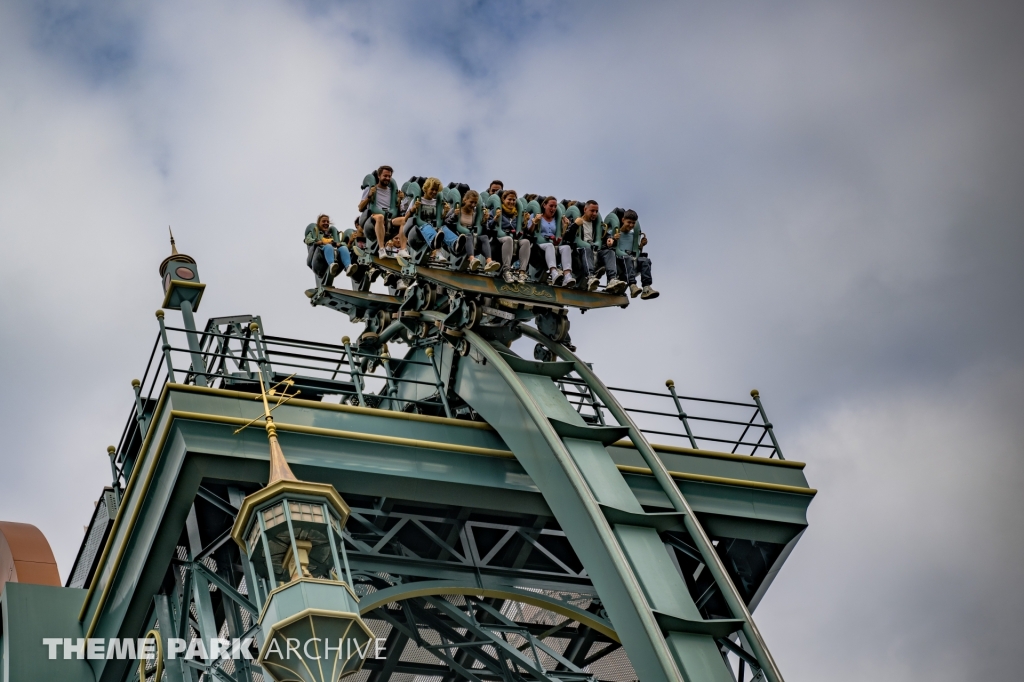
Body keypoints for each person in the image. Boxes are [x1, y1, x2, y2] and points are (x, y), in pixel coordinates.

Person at [567, 200, 626, 293]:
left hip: (595, 252)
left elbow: (604, 235)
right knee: (587, 248)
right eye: (592, 211)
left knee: (609, 252)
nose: (594, 213)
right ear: (585, 209)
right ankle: (590, 277)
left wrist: (610, 239)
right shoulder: (575, 221)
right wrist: (575, 225)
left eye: (596, 211)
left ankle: (612, 279)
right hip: (579, 253)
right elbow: (567, 237)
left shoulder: (597, 224)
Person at [443, 189, 501, 272]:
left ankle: (489, 261)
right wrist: (454, 215)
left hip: (472, 238)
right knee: (468, 235)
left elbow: (484, 231)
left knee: (484, 237)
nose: (473, 205)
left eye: (475, 203)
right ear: (465, 200)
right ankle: (472, 260)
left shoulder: (475, 213)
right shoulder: (455, 210)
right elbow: (446, 223)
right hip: (459, 240)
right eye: (471, 202)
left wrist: (484, 221)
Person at [485, 189, 532, 283]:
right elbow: (488, 227)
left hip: (514, 240)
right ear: (503, 200)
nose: (512, 202)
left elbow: (524, 232)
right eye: (509, 199)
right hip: (498, 240)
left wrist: (525, 222)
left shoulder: (517, 214)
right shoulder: (496, 210)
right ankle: (506, 270)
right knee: (508, 239)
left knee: (526, 242)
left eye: (514, 200)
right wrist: (496, 218)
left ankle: (522, 272)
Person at [531, 196, 575, 286]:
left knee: (566, 247)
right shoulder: (536, 216)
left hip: (553, 245)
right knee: (549, 245)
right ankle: (554, 272)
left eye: (555, 207)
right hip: (539, 245)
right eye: (551, 206)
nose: (553, 209)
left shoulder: (556, 220)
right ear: (544, 205)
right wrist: (534, 222)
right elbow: (529, 231)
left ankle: (567, 276)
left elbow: (561, 236)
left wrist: (565, 226)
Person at [615, 209, 659, 299]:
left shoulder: (633, 235)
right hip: (620, 262)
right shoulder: (616, 233)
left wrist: (641, 245)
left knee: (645, 260)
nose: (631, 225)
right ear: (623, 220)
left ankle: (646, 288)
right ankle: (632, 285)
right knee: (626, 258)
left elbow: (635, 251)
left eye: (633, 223)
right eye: (629, 222)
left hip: (632, 261)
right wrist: (613, 239)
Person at [357, 165, 396, 259]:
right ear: (379, 176)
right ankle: (381, 249)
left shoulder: (392, 191)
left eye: (389, 176)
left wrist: (399, 201)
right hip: (373, 219)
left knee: (403, 220)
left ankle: (403, 250)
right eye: (385, 176)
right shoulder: (371, 189)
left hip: (389, 220)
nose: (387, 178)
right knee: (380, 217)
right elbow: (360, 208)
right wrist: (369, 196)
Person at [304, 214, 353, 283]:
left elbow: (342, 243)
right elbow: (307, 240)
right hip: (319, 256)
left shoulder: (331, 234)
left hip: (334, 252)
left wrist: (338, 244)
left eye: (327, 222)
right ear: (319, 223)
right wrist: (319, 242)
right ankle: (331, 265)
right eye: (323, 221)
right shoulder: (316, 232)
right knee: (328, 246)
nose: (326, 223)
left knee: (343, 248)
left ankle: (348, 267)